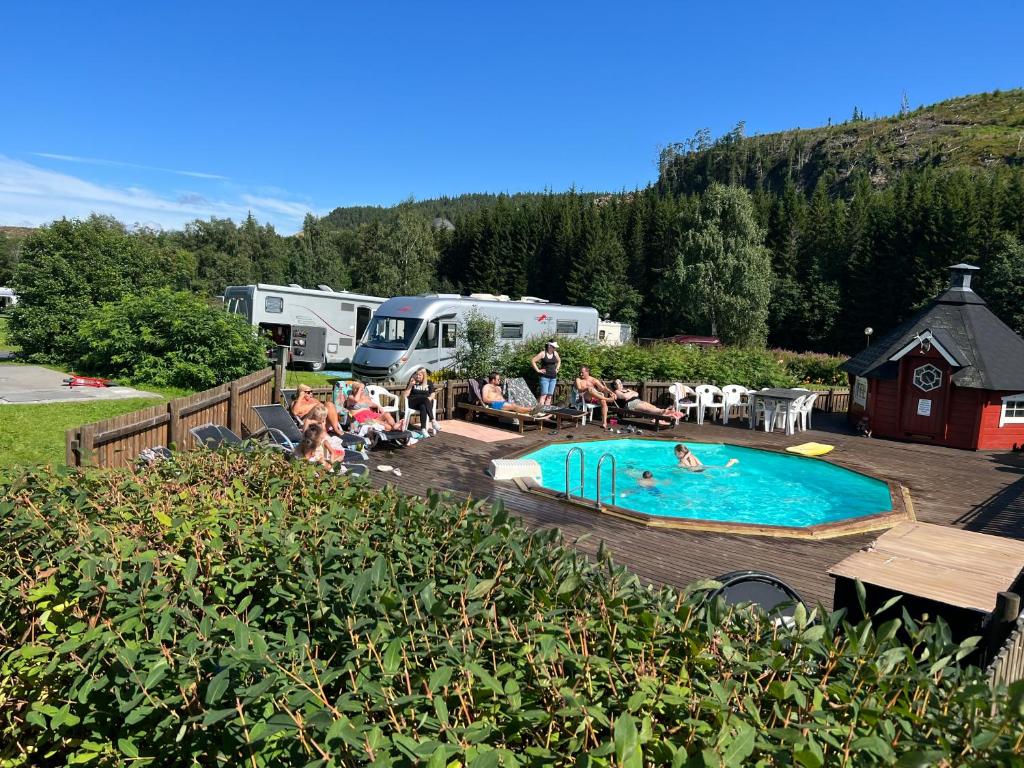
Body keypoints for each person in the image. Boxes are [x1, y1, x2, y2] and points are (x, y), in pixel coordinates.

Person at [609, 380, 686, 423]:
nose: (620, 384)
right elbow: (624, 396)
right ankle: (667, 412)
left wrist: (630, 393)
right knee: (649, 409)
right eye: (618, 383)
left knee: (652, 407)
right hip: (630, 404)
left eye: (620, 382)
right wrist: (631, 393)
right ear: (615, 386)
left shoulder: (626, 390)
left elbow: (636, 393)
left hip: (637, 401)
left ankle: (667, 413)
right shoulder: (616, 391)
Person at [482, 372, 549, 417]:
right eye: (498, 379)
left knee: (516, 405)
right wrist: (496, 401)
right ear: (493, 380)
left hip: (503, 403)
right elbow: (484, 399)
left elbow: (504, 396)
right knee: (514, 407)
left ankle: (532, 412)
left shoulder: (498, 388)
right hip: (495, 404)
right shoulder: (487, 387)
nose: (500, 381)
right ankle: (532, 410)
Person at [403, 367, 437, 434]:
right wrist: (410, 385)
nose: (418, 376)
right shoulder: (413, 382)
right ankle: (433, 421)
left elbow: (433, 394)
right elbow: (405, 396)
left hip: (424, 403)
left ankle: (423, 429)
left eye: (420, 375)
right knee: (425, 399)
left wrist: (430, 398)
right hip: (413, 402)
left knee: (423, 406)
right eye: (417, 374)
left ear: (424, 376)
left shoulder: (429, 383)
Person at [531, 340, 561, 407]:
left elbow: (559, 361)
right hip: (544, 378)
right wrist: (538, 370)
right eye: (554, 347)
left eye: (555, 347)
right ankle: (540, 411)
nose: (555, 348)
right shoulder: (543, 353)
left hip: (553, 378)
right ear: (549, 346)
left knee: (550, 396)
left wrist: (557, 368)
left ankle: (547, 411)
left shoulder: (555, 353)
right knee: (544, 395)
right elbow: (533, 360)